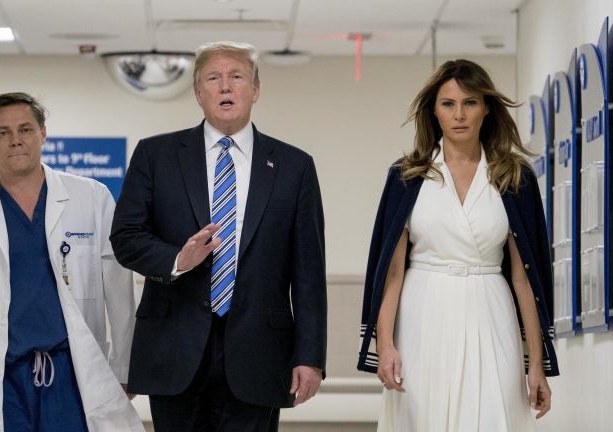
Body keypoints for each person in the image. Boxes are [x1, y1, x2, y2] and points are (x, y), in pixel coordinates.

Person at [110, 41, 327, 431]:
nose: (225, 87)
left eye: (236, 77)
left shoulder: (295, 166)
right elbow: (125, 236)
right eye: (213, 78)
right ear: (198, 92)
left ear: (255, 90)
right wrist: (177, 259)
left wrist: (310, 356)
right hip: (174, 350)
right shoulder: (155, 156)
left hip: (260, 352)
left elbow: (309, 271)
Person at [0, 92, 144, 431]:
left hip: (73, 373)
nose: (15, 140)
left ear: (43, 133)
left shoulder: (91, 198)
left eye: (25, 129)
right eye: (2, 133)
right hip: (1, 375)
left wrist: (125, 368)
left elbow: (120, 293)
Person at [357, 59, 559, 431]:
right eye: (448, 104)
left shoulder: (514, 177)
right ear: (434, 111)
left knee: (492, 414)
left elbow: (523, 278)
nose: (459, 114)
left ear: (486, 108)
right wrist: (384, 346)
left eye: (470, 102)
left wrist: (536, 366)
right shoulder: (408, 176)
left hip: (491, 310)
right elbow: (393, 271)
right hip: (422, 313)